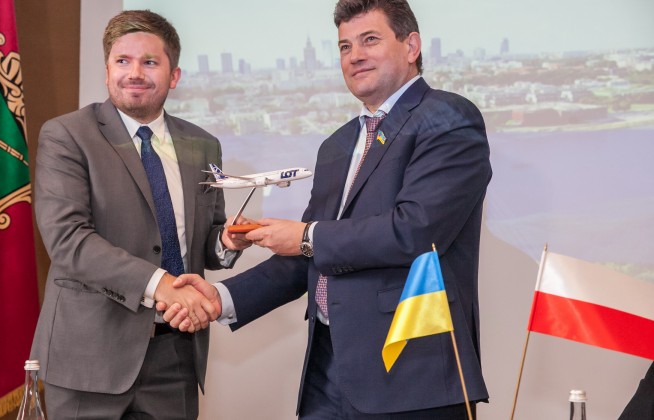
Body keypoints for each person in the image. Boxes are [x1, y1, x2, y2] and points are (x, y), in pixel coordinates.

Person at [161, 0, 491, 418]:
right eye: (344, 46)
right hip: (328, 372)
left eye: (370, 40)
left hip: (411, 373)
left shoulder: (447, 118)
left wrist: (304, 236)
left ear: (411, 46)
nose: (355, 55)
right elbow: (310, 255)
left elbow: (415, 231)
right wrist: (221, 297)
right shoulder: (337, 144)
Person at [29, 10, 250, 419]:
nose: (134, 73)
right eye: (122, 61)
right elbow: (68, 240)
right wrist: (161, 284)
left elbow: (202, 238)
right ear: (107, 70)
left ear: (174, 75)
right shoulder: (67, 135)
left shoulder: (203, 145)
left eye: (149, 62)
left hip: (175, 355)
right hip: (89, 357)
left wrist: (225, 242)